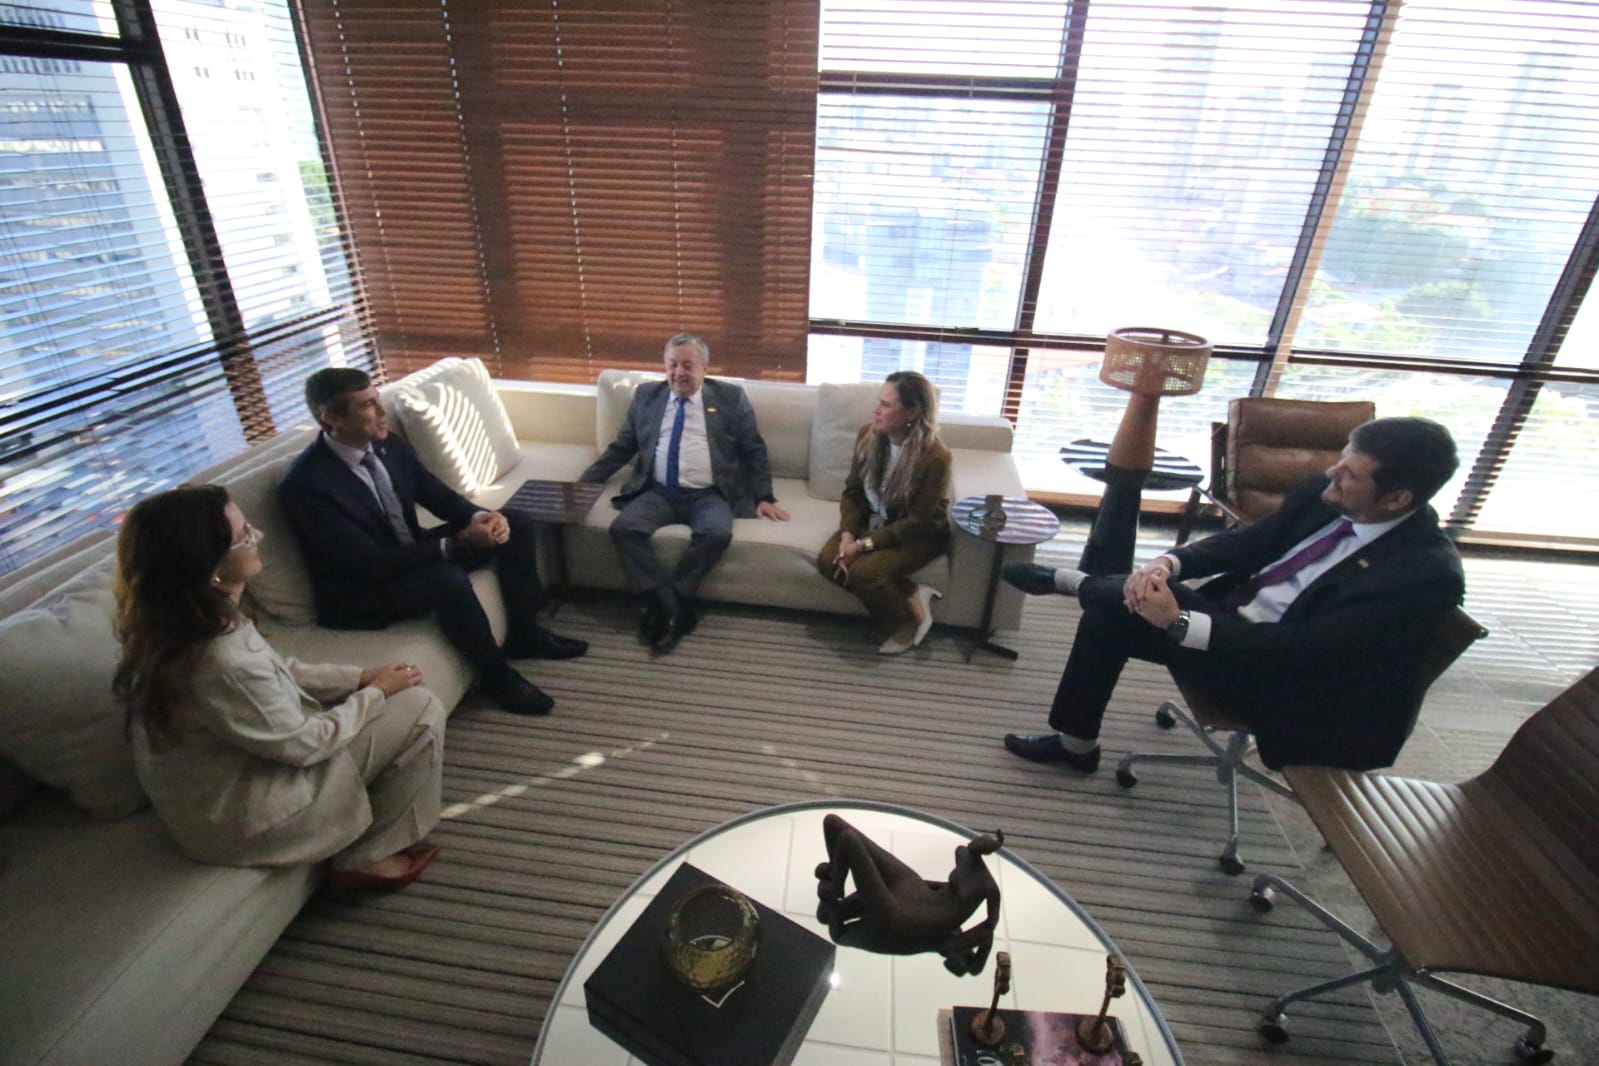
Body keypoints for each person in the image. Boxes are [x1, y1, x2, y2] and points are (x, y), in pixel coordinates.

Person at [1001, 416, 1465, 774]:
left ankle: (1075, 583)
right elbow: (1251, 542)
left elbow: (1302, 652)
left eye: (1350, 473)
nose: (1332, 472)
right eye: (1340, 460)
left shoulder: (1422, 576)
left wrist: (1178, 622)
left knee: (1121, 608)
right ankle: (1077, 745)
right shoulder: (1328, 495)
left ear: (1397, 499)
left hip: (1291, 684)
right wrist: (1169, 563)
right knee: (1115, 610)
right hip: (1232, 621)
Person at [113, 485, 445, 894]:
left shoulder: (181, 620)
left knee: (398, 696)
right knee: (420, 707)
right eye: (244, 535)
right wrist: (376, 692)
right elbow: (307, 743)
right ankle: (365, 859)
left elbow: (276, 671)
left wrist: (358, 678)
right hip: (245, 819)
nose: (259, 536)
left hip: (222, 786)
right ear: (209, 564)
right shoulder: (217, 658)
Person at [280, 368, 586, 717]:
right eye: (367, 405)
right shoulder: (307, 485)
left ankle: (524, 635)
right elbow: (368, 563)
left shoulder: (386, 444)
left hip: (409, 553)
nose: (381, 411)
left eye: (377, 400)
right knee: (446, 579)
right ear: (332, 417)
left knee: (517, 521)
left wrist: (482, 518)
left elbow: (434, 493)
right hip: (363, 590)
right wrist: (456, 544)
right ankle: (497, 678)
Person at [579, 333, 789, 652]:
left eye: (687, 366)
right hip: (658, 492)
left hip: (709, 495)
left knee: (716, 533)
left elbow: (753, 450)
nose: (678, 373)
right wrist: (584, 483)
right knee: (624, 528)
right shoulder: (646, 396)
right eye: (672, 365)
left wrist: (764, 496)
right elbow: (623, 447)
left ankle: (667, 604)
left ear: (705, 368)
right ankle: (672, 607)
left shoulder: (730, 398)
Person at [816, 371, 951, 654]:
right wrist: (847, 535)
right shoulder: (868, 435)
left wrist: (862, 546)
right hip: (876, 520)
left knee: (863, 573)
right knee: (829, 561)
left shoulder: (936, 458)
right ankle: (911, 592)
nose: (876, 410)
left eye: (886, 405)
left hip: (917, 534)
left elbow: (916, 522)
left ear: (912, 412)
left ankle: (905, 623)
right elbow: (853, 492)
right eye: (879, 402)